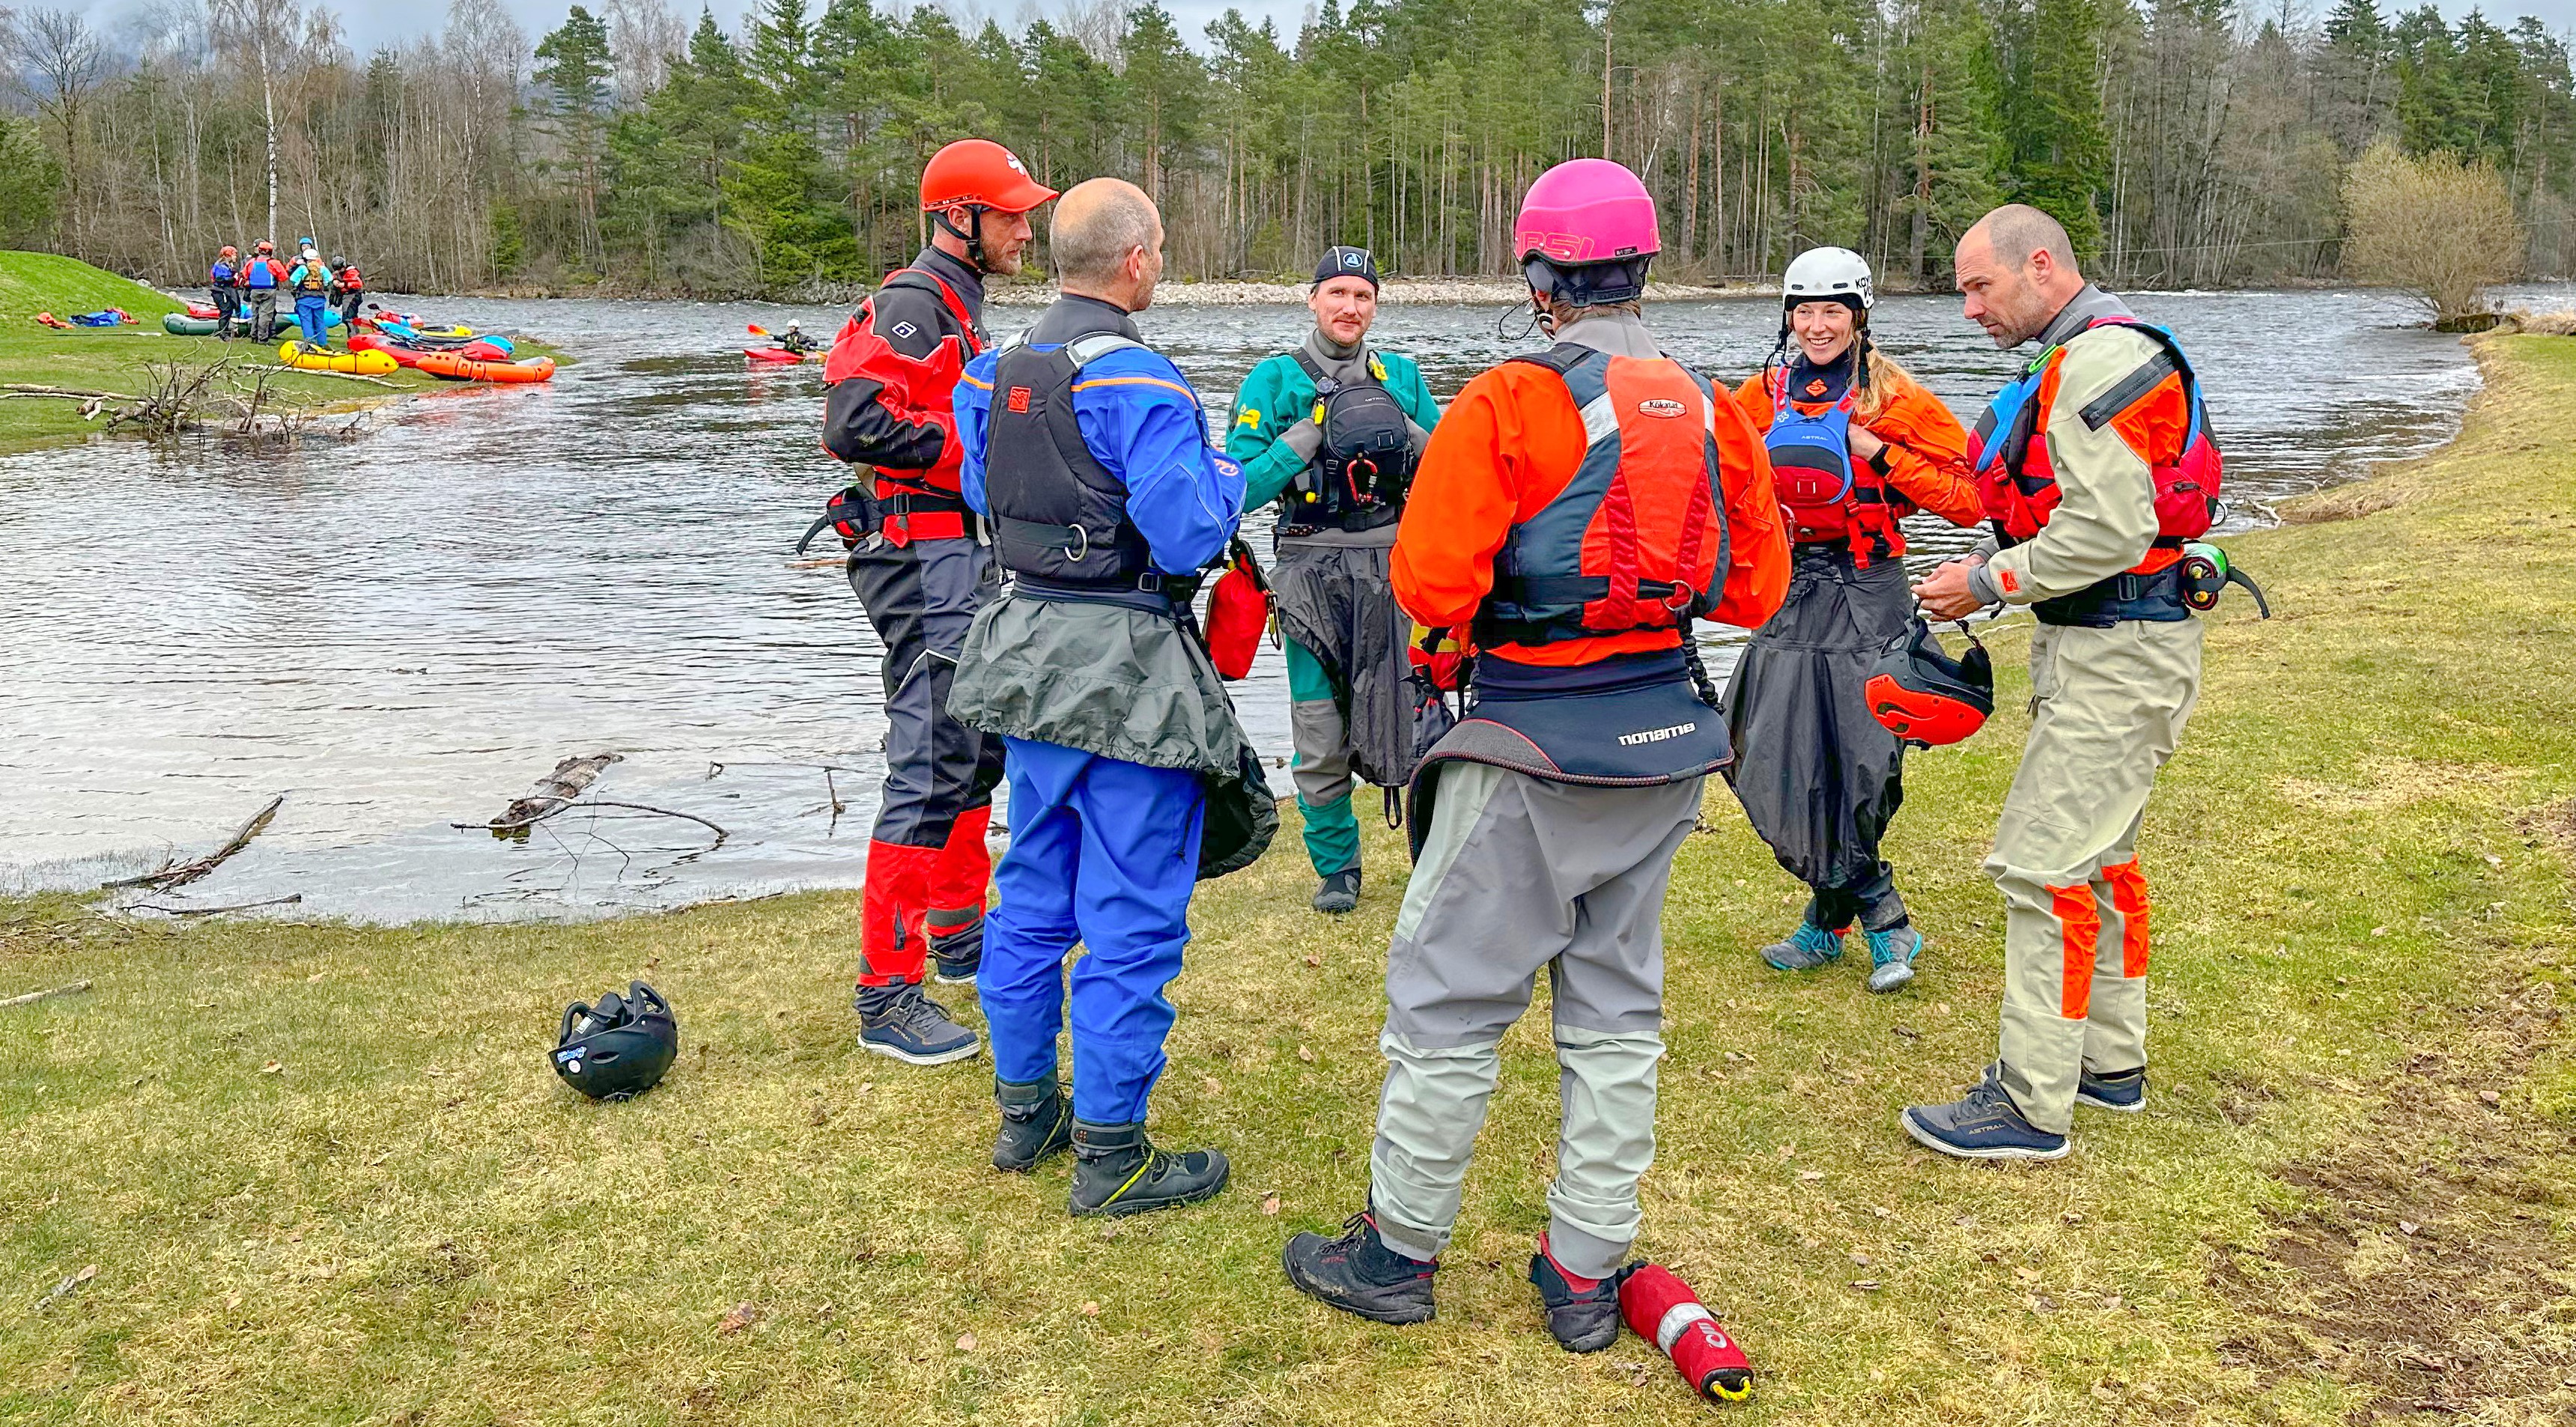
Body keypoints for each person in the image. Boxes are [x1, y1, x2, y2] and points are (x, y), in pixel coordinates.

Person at [1281, 159, 1789, 1347]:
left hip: (1528, 744)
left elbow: (1429, 582)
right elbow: (1756, 584)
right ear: (1644, 268)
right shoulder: (1719, 408)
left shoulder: (1507, 400)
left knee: (1449, 1000)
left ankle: (1399, 1249)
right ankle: (1586, 1265)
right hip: (1665, 739)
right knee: (1617, 1007)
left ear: (1541, 274)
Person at [947, 177, 1251, 1216]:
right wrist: (1228, 476)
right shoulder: (1145, 385)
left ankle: (1025, 1110)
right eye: (1159, 250)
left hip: (1024, 655)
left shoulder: (989, 373)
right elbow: (1189, 537)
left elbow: (983, 500)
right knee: (1129, 913)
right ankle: (1112, 1150)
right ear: (1136, 261)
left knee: (1033, 889)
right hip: (1126, 672)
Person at [1901, 204, 2220, 1160]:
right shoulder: (2106, 350)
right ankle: (2108, 1066)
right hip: (2133, 640)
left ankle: (2031, 1103)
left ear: (2039, 267)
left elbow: (2107, 531)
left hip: (2114, 652)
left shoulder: (2088, 361)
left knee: (2041, 868)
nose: (1967, 309)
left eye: (1977, 287)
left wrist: (1983, 582)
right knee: (2103, 859)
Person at [816, 139, 1055, 1065]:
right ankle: (887, 992)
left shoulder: (957, 304)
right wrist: (982, 449)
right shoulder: (917, 304)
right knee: (926, 760)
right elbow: (853, 422)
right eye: (1011, 214)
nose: (1025, 229)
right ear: (960, 218)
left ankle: (957, 934)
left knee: (970, 743)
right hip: (920, 561)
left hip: (956, 556)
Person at [1723, 247, 1982, 993]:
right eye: (1802, 311)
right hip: (1791, 588)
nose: (1815, 326)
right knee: (1761, 746)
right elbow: (1719, 464)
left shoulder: (1892, 398)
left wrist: (1877, 452)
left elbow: (1968, 498)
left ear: (1859, 315)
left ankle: (1865, 922)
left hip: (1867, 589)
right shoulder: (1764, 392)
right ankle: (1848, 914)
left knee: (1859, 762)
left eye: (1831, 310)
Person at [1224, 246, 1441, 914]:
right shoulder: (1272, 380)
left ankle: (1433, 861)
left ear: (1376, 306)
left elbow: (1449, 469)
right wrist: (1310, 437)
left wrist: (1393, 423)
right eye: (1338, 294)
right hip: (1308, 570)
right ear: (1312, 299)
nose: (1350, 308)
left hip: (1393, 567)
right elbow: (1236, 486)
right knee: (1319, 729)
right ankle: (1337, 868)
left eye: (1364, 296)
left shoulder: (1401, 375)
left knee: (1414, 714)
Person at [288, 246, 333, 346]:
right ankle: (322, 343)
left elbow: (293, 281)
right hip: (319, 298)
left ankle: (310, 343)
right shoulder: (323, 269)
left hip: (304, 298)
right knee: (320, 321)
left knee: (307, 321)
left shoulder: (302, 269)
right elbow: (329, 281)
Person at [242, 240, 283, 343]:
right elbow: (283, 277)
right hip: (269, 291)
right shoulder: (274, 263)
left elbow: (244, 275)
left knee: (255, 313)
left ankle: (254, 336)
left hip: (254, 291)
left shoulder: (251, 262)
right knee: (265, 315)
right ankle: (263, 338)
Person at [209, 246, 241, 341]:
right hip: (220, 291)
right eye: (234, 255)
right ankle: (223, 334)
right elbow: (220, 279)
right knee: (225, 311)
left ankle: (225, 332)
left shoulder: (229, 265)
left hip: (225, 291)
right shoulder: (220, 265)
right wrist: (233, 278)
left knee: (229, 311)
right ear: (228, 255)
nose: (236, 257)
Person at [331, 256, 365, 330]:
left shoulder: (352, 272)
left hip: (353, 295)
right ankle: (354, 336)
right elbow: (333, 276)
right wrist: (334, 281)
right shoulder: (338, 272)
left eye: (340, 269)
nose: (338, 271)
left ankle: (353, 336)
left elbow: (359, 284)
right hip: (346, 296)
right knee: (350, 317)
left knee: (348, 317)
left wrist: (345, 285)